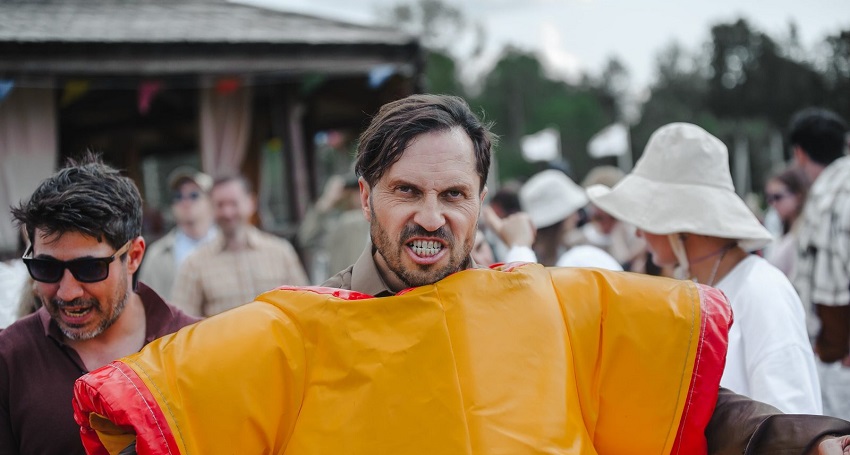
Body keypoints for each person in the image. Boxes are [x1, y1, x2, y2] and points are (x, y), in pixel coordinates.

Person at [73, 96, 850, 454]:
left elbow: (695, 400)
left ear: (481, 201)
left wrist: (810, 440)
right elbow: (170, 411)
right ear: (367, 195)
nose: (431, 216)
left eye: (453, 194)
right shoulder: (298, 331)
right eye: (407, 191)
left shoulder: (546, 303)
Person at [585, 122, 821, 414]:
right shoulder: (698, 286)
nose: (638, 233)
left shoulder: (761, 290)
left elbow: (792, 420)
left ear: (678, 223)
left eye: (645, 217)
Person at [0, 154, 198, 455]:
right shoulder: (9, 359)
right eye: (46, 268)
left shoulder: (193, 347)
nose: (67, 292)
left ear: (133, 257)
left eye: (89, 268)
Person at [171, 173, 309, 317]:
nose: (227, 212)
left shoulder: (280, 252)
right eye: (220, 205)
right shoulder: (194, 264)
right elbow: (182, 323)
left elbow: (304, 306)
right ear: (211, 208)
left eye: (234, 203)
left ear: (251, 203)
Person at [791, 107, 850, 420]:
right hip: (832, 353)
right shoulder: (832, 189)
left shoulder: (837, 192)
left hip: (840, 355)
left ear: (800, 153)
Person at [484, 169, 623, 270]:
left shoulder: (573, 257)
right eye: (572, 212)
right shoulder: (577, 260)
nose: (577, 217)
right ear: (559, 221)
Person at [138, 167, 217, 300]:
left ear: (211, 201)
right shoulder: (157, 254)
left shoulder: (231, 244)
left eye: (194, 195)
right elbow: (145, 304)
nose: (185, 202)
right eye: (178, 196)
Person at [297, 172, 370, 283]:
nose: (361, 196)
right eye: (357, 190)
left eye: (365, 189)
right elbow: (307, 238)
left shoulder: (352, 222)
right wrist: (326, 202)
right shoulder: (344, 226)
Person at [763, 165, 810, 278]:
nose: (772, 203)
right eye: (769, 197)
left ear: (798, 196)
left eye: (777, 197)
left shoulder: (806, 233)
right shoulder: (782, 229)